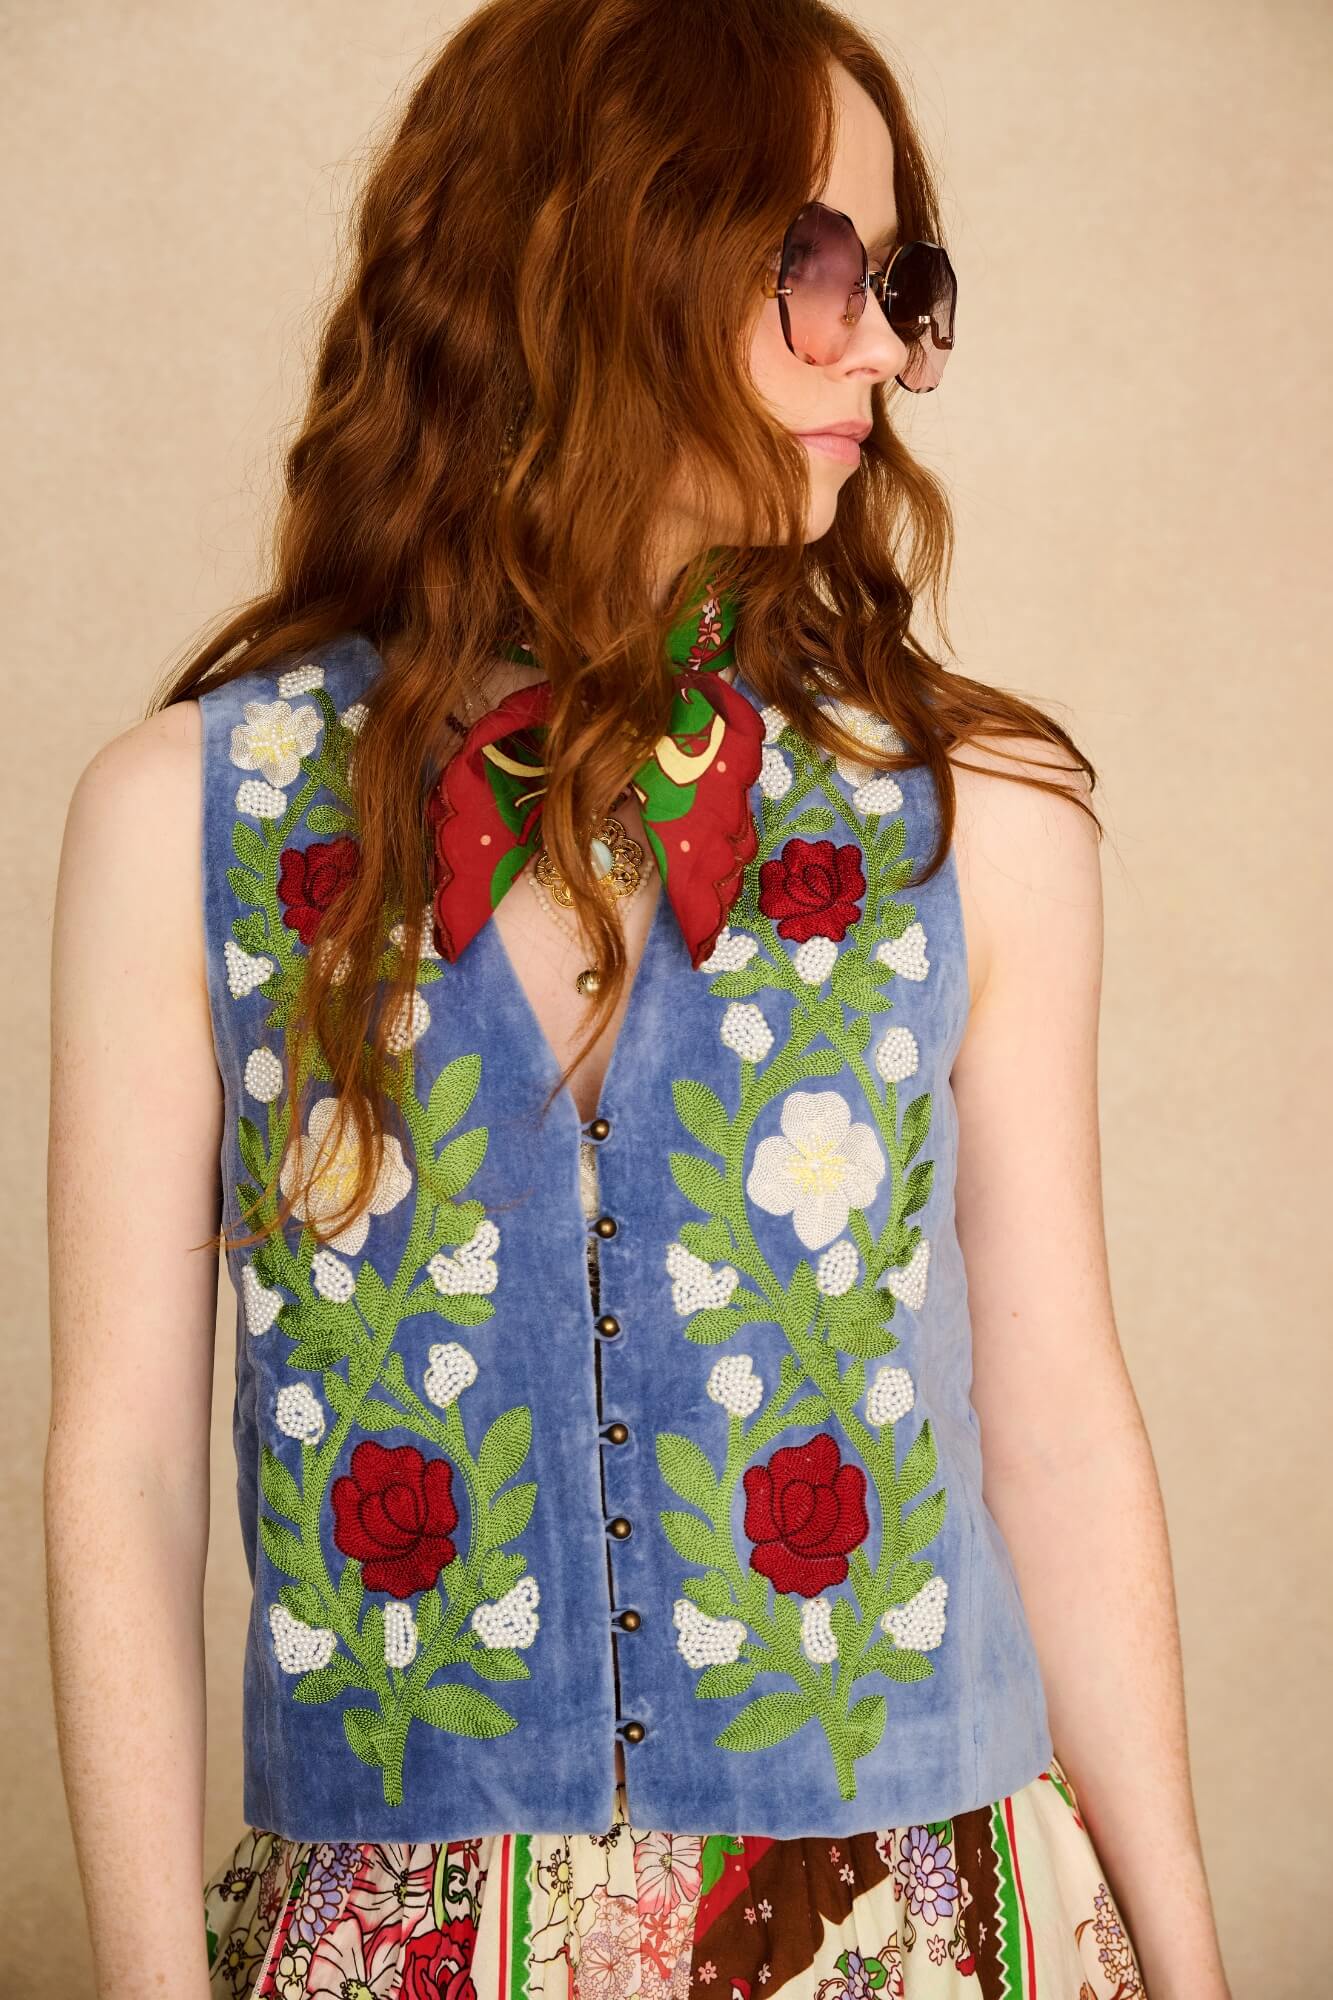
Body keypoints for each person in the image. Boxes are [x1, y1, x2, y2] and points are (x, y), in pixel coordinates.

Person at [44, 3, 1233, 1996]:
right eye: (817, 268)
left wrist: (1191, 1965)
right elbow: (125, 1463)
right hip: (398, 1942)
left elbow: (1053, 1417)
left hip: (921, 1937)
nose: (879, 346)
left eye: (900, 282)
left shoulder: (979, 825)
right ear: (592, 254)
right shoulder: (189, 819)